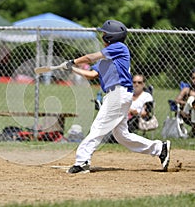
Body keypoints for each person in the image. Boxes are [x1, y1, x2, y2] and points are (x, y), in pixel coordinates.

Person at [60, 20, 170, 173]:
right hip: (115, 95)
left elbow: (91, 57)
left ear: (111, 37)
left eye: (104, 33)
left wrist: (73, 61)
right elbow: (92, 74)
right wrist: (72, 68)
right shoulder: (107, 57)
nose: (102, 36)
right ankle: (159, 148)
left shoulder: (119, 48)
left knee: (98, 127)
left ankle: (82, 161)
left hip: (118, 94)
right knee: (121, 135)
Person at [175, 69, 195, 137]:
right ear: (190, 79)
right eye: (193, 78)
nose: (194, 80)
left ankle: (193, 131)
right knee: (191, 99)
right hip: (186, 114)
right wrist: (186, 103)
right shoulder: (186, 90)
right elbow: (177, 100)